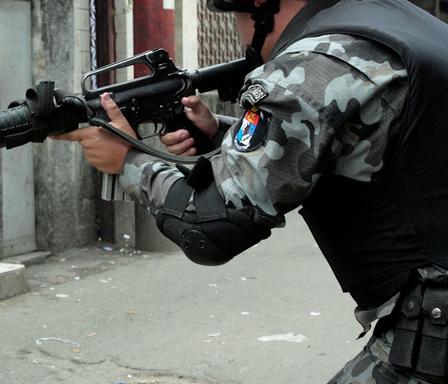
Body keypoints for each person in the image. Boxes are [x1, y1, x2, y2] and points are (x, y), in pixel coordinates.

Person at [55, 0, 448, 382]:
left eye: (236, 17)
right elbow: (346, 142)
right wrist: (220, 134)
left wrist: (126, 161)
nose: (240, 32)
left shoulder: (315, 62)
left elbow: (210, 227)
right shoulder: (400, 24)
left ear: (261, 6)